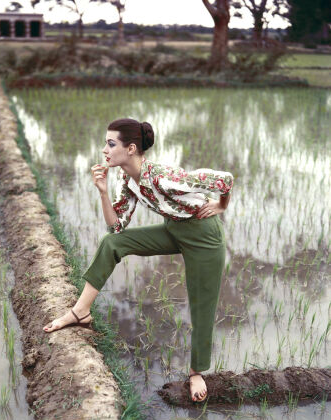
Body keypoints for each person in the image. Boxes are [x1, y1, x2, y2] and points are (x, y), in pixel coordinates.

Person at [43, 118, 233, 403]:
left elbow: (224, 179)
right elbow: (116, 227)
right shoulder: (129, 181)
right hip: (173, 229)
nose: (104, 150)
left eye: (110, 144)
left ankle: (196, 372)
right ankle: (80, 312)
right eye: (105, 143)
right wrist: (103, 192)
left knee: (201, 305)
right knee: (113, 244)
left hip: (204, 238)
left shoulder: (162, 176)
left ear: (130, 149)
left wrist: (220, 205)